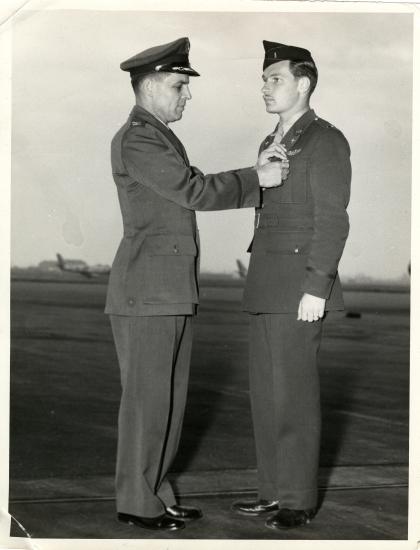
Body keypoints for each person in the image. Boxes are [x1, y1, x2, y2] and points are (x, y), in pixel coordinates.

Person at [105, 37, 287, 532]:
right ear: (148, 87)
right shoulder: (139, 137)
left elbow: (189, 183)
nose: (187, 95)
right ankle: (136, 502)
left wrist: (254, 175)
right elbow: (192, 189)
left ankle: (155, 494)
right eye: (178, 85)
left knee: (168, 403)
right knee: (148, 404)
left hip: (167, 290)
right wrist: (257, 179)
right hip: (147, 291)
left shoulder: (158, 135)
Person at [232, 41, 351, 530]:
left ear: (303, 83)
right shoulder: (269, 144)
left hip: (299, 287)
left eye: (274, 79)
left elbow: (333, 220)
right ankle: (271, 490)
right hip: (265, 284)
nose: (265, 86)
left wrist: (316, 287)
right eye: (264, 80)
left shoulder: (325, 140)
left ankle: (298, 499)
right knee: (265, 393)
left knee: (295, 394)